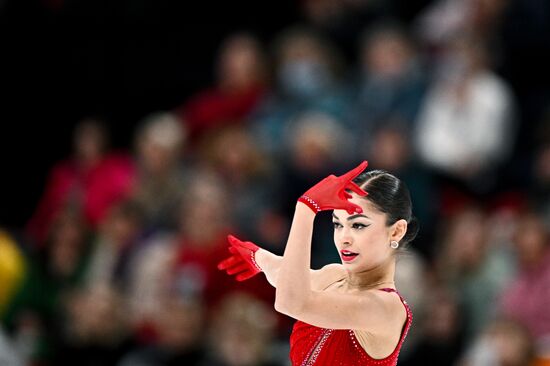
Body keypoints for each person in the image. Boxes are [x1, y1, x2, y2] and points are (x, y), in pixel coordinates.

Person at [218, 161, 418, 365]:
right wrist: (258, 257)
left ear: (396, 231)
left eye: (358, 225)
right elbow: (284, 276)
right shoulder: (334, 276)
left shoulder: (385, 308)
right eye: (338, 224)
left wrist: (306, 208)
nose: (344, 238)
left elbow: (292, 302)